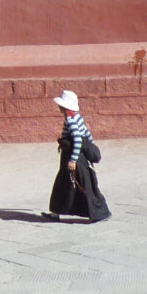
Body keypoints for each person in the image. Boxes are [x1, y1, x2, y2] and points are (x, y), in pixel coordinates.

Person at [45, 89, 110, 223]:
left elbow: (78, 139)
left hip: (75, 157)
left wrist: (73, 159)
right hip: (80, 156)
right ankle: (56, 212)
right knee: (66, 184)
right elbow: (88, 135)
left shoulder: (71, 119)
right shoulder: (76, 116)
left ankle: (98, 213)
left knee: (78, 185)